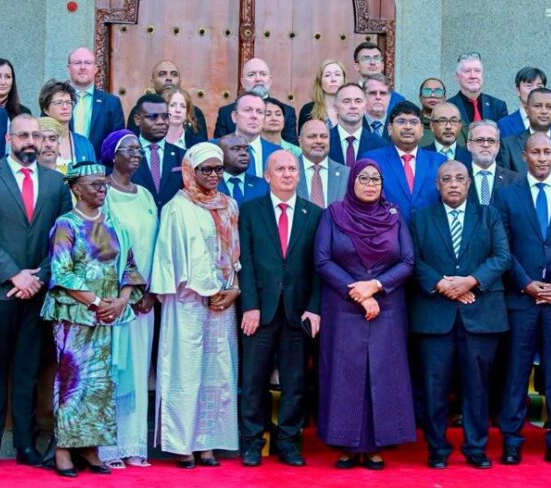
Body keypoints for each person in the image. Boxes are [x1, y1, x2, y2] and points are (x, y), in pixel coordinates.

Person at [0, 114, 72, 469]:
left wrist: (38, 276)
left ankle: (25, 446)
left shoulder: (56, 182)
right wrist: (14, 275)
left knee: (27, 371)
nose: (31, 141)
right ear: (9, 138)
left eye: (36, 136)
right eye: (23, 135)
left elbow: (63, 236)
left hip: (37, 292)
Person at [41, 163, 145, 478]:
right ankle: (63, 449)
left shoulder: (114, 224)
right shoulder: (66, 224)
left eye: (104, 184)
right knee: (72, 382)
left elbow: (130, 267)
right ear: (77, 189)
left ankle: (90, 447)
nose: (102, 189)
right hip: (75, 315)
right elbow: (62, 272)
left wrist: (122, 301)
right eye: (95, 184)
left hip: (108, 316)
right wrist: (98, 303)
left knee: (100, 383)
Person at [493, 132, 551, 466]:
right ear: (524, 156)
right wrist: (525, 283)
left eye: (548, 152)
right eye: (536, 152)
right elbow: (502, 247)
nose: (543, 158)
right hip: (522, 300)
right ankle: (512, 440)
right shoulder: (506, 195)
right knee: (515, 372)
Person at [314, 159, 416, 470]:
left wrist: (375, 286)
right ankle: (346, 445)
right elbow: (322, 260)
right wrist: (356, 291)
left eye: (375, 179)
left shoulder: (394, 216)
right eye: (364, 178)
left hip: (386, 306)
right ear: (352, 182)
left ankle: (375, 446)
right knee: (345, 375)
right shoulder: (334, 213)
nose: (370, 184)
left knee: (382, 373)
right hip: (343, 307)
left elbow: (408, 261)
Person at [410, 160, 510, 469]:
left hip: (480, 315)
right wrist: (442, 284)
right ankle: (437, 448)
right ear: (437, 185)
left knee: (477, 387)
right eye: (446, 179)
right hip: (435, 317)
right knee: (434, 387)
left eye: (459, 178)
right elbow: (412, 259)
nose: (453, 184)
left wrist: (470, 281)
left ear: (469, 183)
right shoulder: (420, 218)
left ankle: (475, 447)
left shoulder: (490, 216)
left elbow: (502, 257)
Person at [151, 142, 241, 467]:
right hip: (187, 302)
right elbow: (169, 258)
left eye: (218, 169)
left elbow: (233, 256)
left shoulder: (229, 205)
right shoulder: (177, 207)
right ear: (191, 170)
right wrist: (203, 289)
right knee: (185, 372)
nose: (213, 175)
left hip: (222, 304)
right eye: (206, 169)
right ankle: (182, 444)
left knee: (217, 374)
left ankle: (208, 443)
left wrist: (233, 289)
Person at [238, 151, 323, 467]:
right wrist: (250, 305)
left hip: (298, 314)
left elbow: (319, 267)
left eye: (292, 169)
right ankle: (252, 442)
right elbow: (245, 262)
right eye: (280, 169)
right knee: (253, 381)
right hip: (259, 312)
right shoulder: (250, 211)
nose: (287, 174)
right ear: (267, 175)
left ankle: (288, 442)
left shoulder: (314, 214)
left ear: (299, 174)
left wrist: (314, 308)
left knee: (295, 382)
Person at [97, 131, 160, 468]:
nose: (136, 154)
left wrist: (149, 291)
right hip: (112, 301)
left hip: (143, 301)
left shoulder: (146, 195)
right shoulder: (102, 193)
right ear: (112, 154)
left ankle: (133, 445)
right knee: (112, 370)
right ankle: (108, 449)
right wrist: (126, 292)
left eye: (139, 149)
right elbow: (103, 246)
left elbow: (157, 245)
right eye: (129, 149)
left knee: (137, 370)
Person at [361, 101, 445, 224]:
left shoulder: (439, 161)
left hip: (429, 231)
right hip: (386, 231)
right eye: (401, 121)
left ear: (422, 130)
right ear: (389, 129)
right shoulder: (372, 160)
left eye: (414, 122)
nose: (408, 127)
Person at [214, 58, 297, 143]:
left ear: (270, 81)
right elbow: (219, 146)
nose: (258, 79)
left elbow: (291, 147)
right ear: (243, 82)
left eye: (263, 74)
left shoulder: (287, 112)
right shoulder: (226, 113)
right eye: (251, 75)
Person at [499, 88, 551, 176]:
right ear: (527, 110)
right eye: (538, 106)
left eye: (549, 107)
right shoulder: (508, 146)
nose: (544, 111)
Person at [127, 60, 209, 141]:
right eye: (162, 74)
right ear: (153, 81)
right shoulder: (141, 110)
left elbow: (202, 145)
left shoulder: (194, 111)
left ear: (179, 81)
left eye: (174, 74)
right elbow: (131, 143)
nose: (169, 78)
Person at [129, 93, 184, 212]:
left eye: (165, 116)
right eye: (152, 117)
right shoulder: (125, 155)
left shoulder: (183, 155)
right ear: (138, 119)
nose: (161, 122)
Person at [66, 47, 125, 155]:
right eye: (77, 63)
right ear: (69, 68)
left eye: (88, 63)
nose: (83, 67)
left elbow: (117, 143)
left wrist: (99, 165)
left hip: (99, 165)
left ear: (95, 69)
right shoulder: (54, 100)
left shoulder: (112, 103)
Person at [38, 80, 97, 168]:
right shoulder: (37, 141)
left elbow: (93, 174)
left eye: (68, 102)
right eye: (59, 103)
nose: (65, 107)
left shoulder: (84, 143)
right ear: (45, 109)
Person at [497, 67, 551, 139]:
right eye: (529, 86)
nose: (534, 90)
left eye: (539, 86)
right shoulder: (504, 125)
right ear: (518, 91)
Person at [329, 83, 387, 166]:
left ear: (365, 107)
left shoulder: (380, 145)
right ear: (336, 108)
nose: (353, 106)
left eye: (358, 101)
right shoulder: (324, 141)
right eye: (346, 101)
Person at [296, 119, 349, 208]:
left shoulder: (346, 174)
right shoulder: (287, 172)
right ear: (300, 141)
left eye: (324, 136)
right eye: (312, 136)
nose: (319, 141)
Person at [466, 120, 520, 206]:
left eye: (491, 140)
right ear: (469, 145)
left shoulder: (515, 180)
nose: (486, 145)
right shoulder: (459, 179)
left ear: (498, 145)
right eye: (479, 140)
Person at [447, 53, 508, 126]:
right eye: (467, 71)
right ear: (457, 77)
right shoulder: (447, 107)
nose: (473, 76)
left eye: (477, 71)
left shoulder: (498, 106)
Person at [231, 92, 282, 177]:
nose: (254, 116)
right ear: (234, 116)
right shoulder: (216, 148)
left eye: (259, 112)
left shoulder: (277, 152)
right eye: (247, 110)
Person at [217, 134, 269, 205]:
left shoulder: (263, 186)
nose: (244, 153)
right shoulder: (211, 184)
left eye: (246, 150)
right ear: (220, 154)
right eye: (236, 149)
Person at [352, 42, 405, 107]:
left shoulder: (398, 100)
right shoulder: (348, 95)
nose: (372, 62)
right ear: (357, 67)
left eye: (376, 58)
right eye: (366, 59)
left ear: (382, 65)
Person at [298, 59, 346, 130]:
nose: (333, 79)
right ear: (320, 81)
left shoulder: (353, 108)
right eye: (327, 75)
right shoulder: (308, 110)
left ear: (344, 80)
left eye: (337, 74)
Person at [422, 102, 471, 166]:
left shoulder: (472, 157)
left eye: (454, 121)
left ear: (460, 125)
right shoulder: (420, 156)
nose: (448, 126)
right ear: (432, 125)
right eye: (442, 121)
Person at [363, 74, 394, 141]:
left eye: (383, 93)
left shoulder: (397, 127)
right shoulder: (353, 126)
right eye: (372, 93)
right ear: (363, 96)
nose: (378, 97)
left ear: (389, 97)